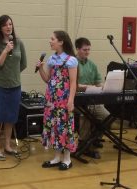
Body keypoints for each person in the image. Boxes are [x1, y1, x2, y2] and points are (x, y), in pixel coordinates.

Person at [0, 15, 27, 161]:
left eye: (10, 24)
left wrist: (13, 74)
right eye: (5, 25)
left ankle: (8, 146)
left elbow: (23, 64)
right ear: (0, 28)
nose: (8, 27)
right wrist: (5, 51)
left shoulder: (19, 43)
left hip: (15, 86)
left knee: (10, 118)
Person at [36, 31, 77, 170]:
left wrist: (71, 100)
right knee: (54, 126)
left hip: (64, 99)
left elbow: (73, 82)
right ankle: (57, 157)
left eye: (52, 39)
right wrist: (40, 68)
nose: (50, 41)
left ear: (61, 42)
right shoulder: (52, 59)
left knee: (65, 127)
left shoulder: (71, 60)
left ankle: (67, 159)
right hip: (51, 100)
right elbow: (48, 79)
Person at [75, 37, 110, 159]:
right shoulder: (72, 64)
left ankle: (94, 139)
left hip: (92, 98)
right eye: (85, 50)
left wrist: (105, 87)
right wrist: (88, 87)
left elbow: (98, 82)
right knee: (87, 114)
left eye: (89, 50)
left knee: (107, 117)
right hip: (76, 100)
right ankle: (84, 144)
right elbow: (73, 85)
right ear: (77, 49)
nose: (87, 52)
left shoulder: (92, 65)